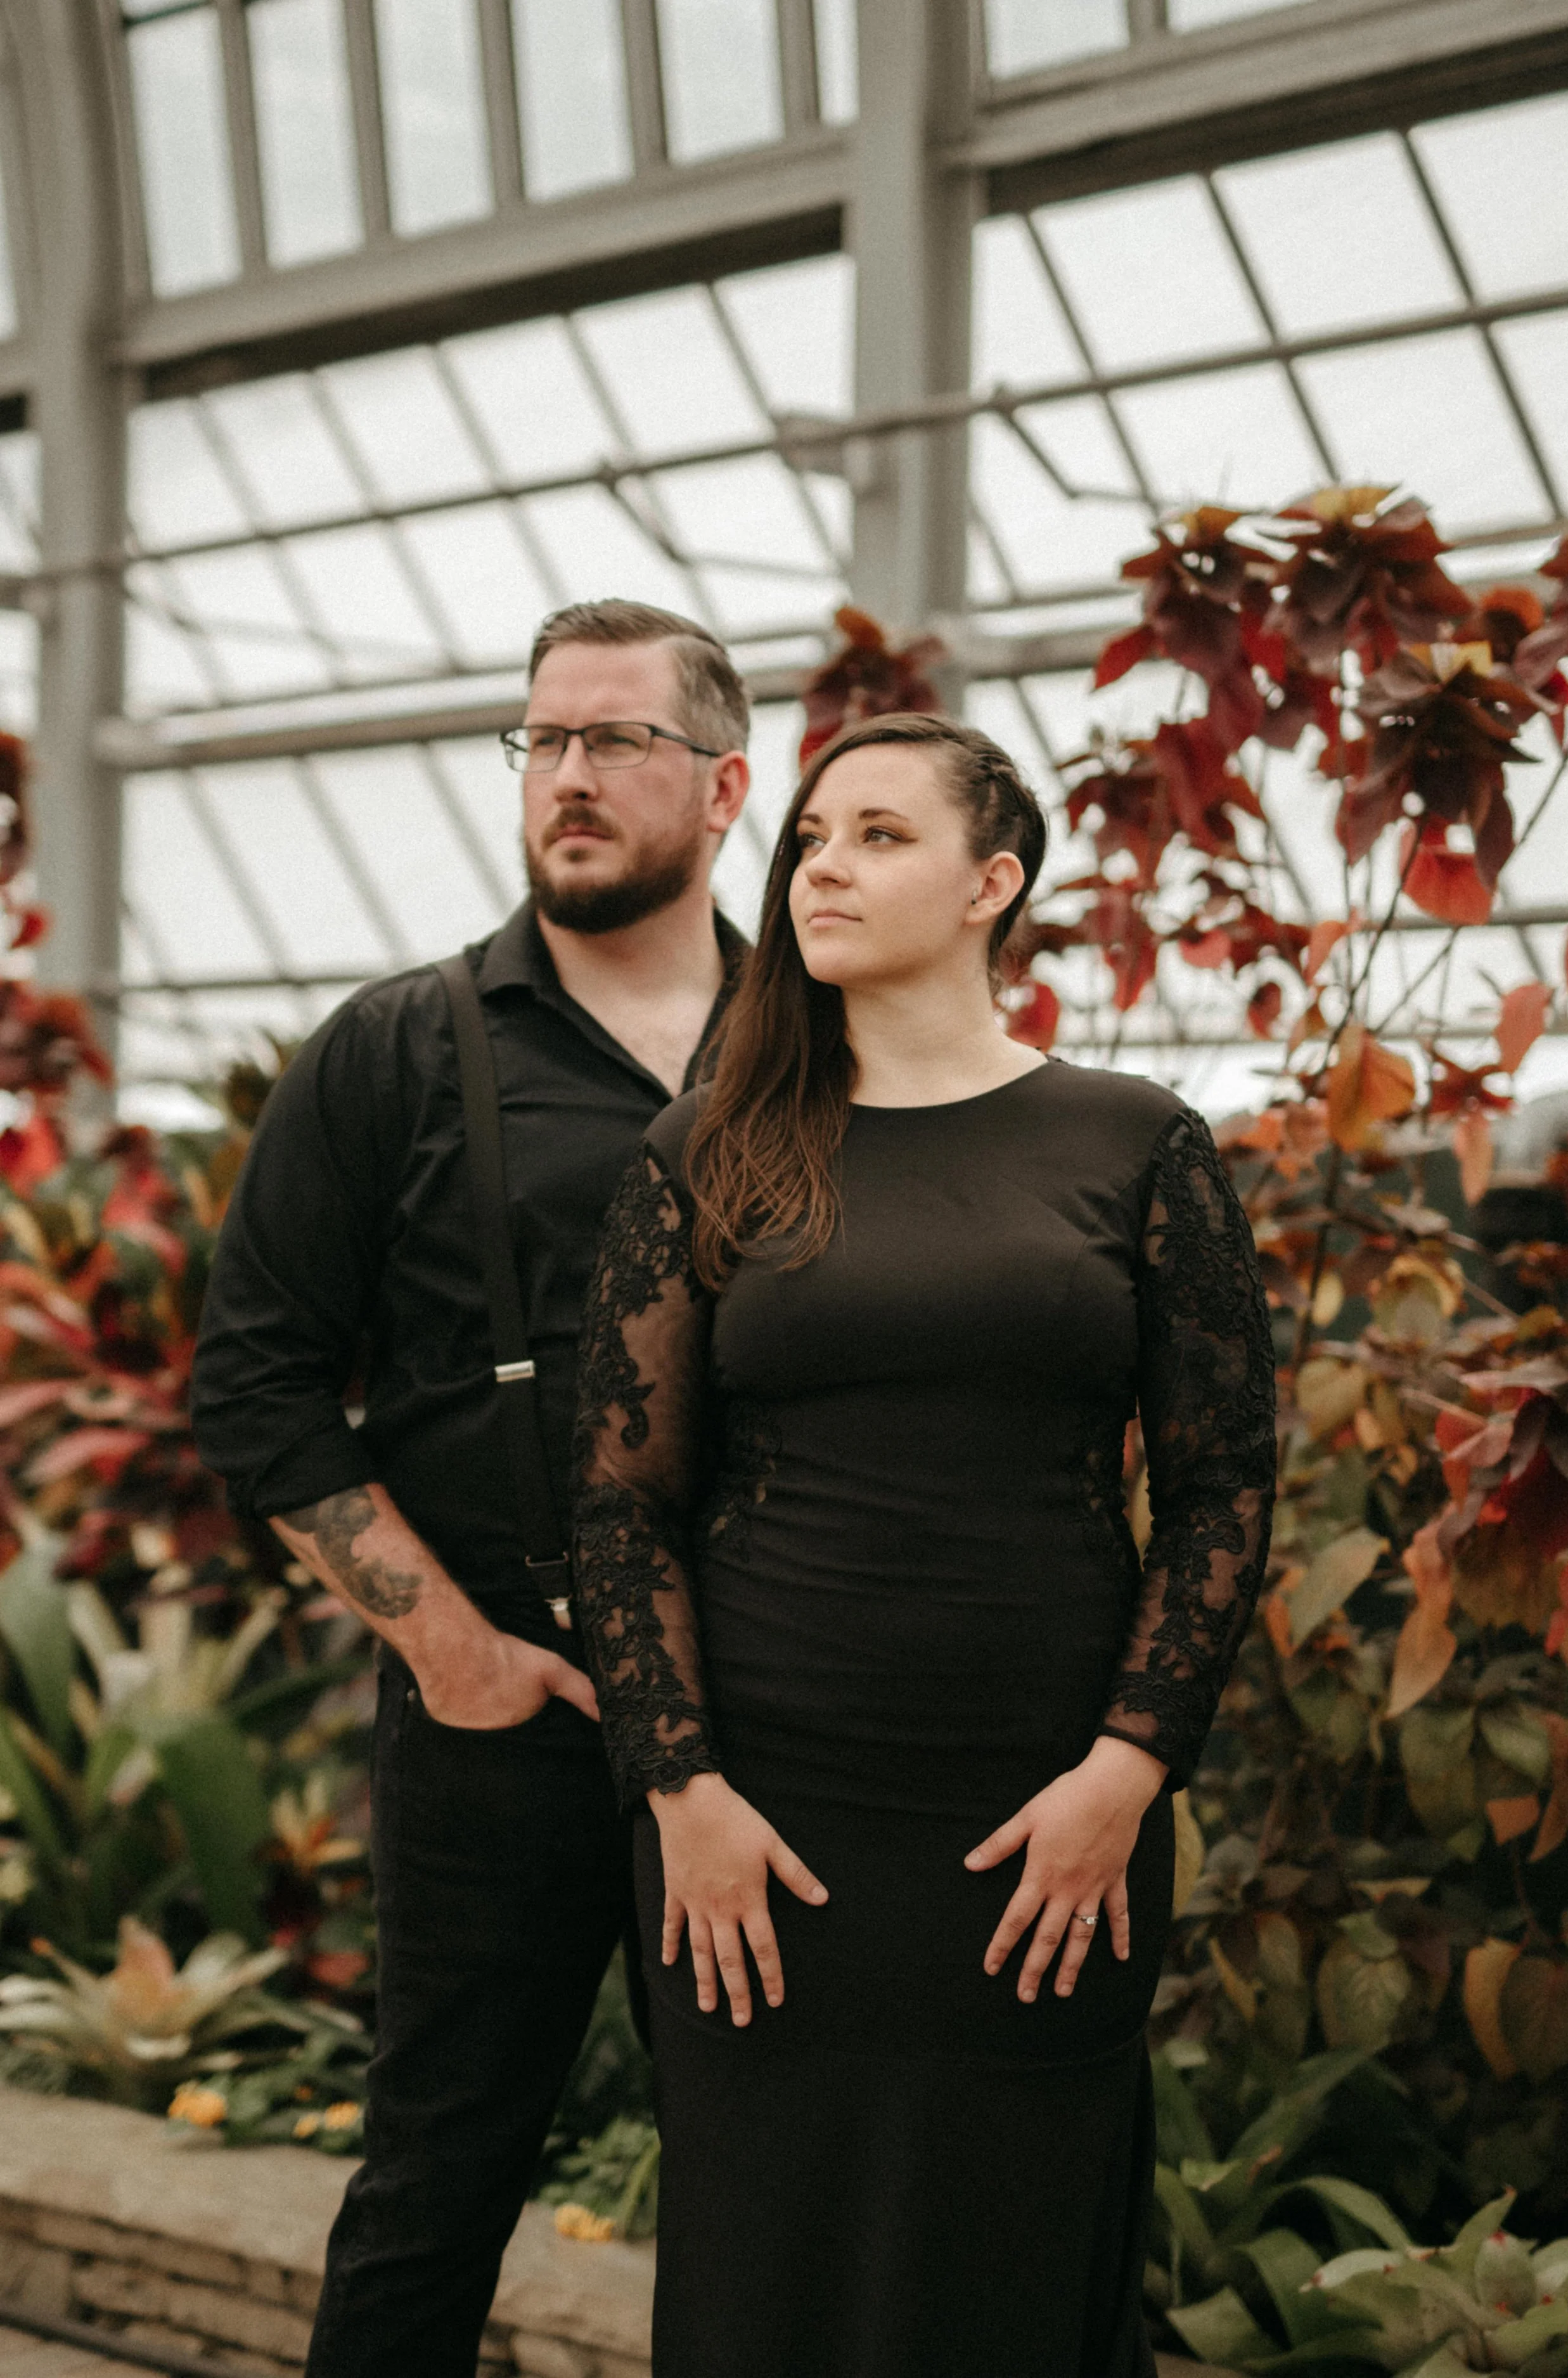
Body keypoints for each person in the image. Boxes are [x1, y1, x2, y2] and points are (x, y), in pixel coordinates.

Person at [572, 712, 1278, 2378]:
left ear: (992, 883)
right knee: (770, 2267)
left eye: (878, 836)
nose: (823, 867)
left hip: (1044, 1815)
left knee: (1014, 2262)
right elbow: (617, 1502)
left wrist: (1128, 1771)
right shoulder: (710, 1151)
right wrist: (680, 1790)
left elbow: (1222, 1486)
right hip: (764, 1822)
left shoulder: (1130, 1142)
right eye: (811, 839)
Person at [190, 600, 753, 2378]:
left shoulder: (822, 1047)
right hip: (500, 1707)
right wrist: (450, 1653)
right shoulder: (398, 1048)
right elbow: (256, 1376)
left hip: (771, 1714)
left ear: (725, 785)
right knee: (440, 2172)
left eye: (614, 742)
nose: (566, 779)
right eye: (542, 742)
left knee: (761, 2183)